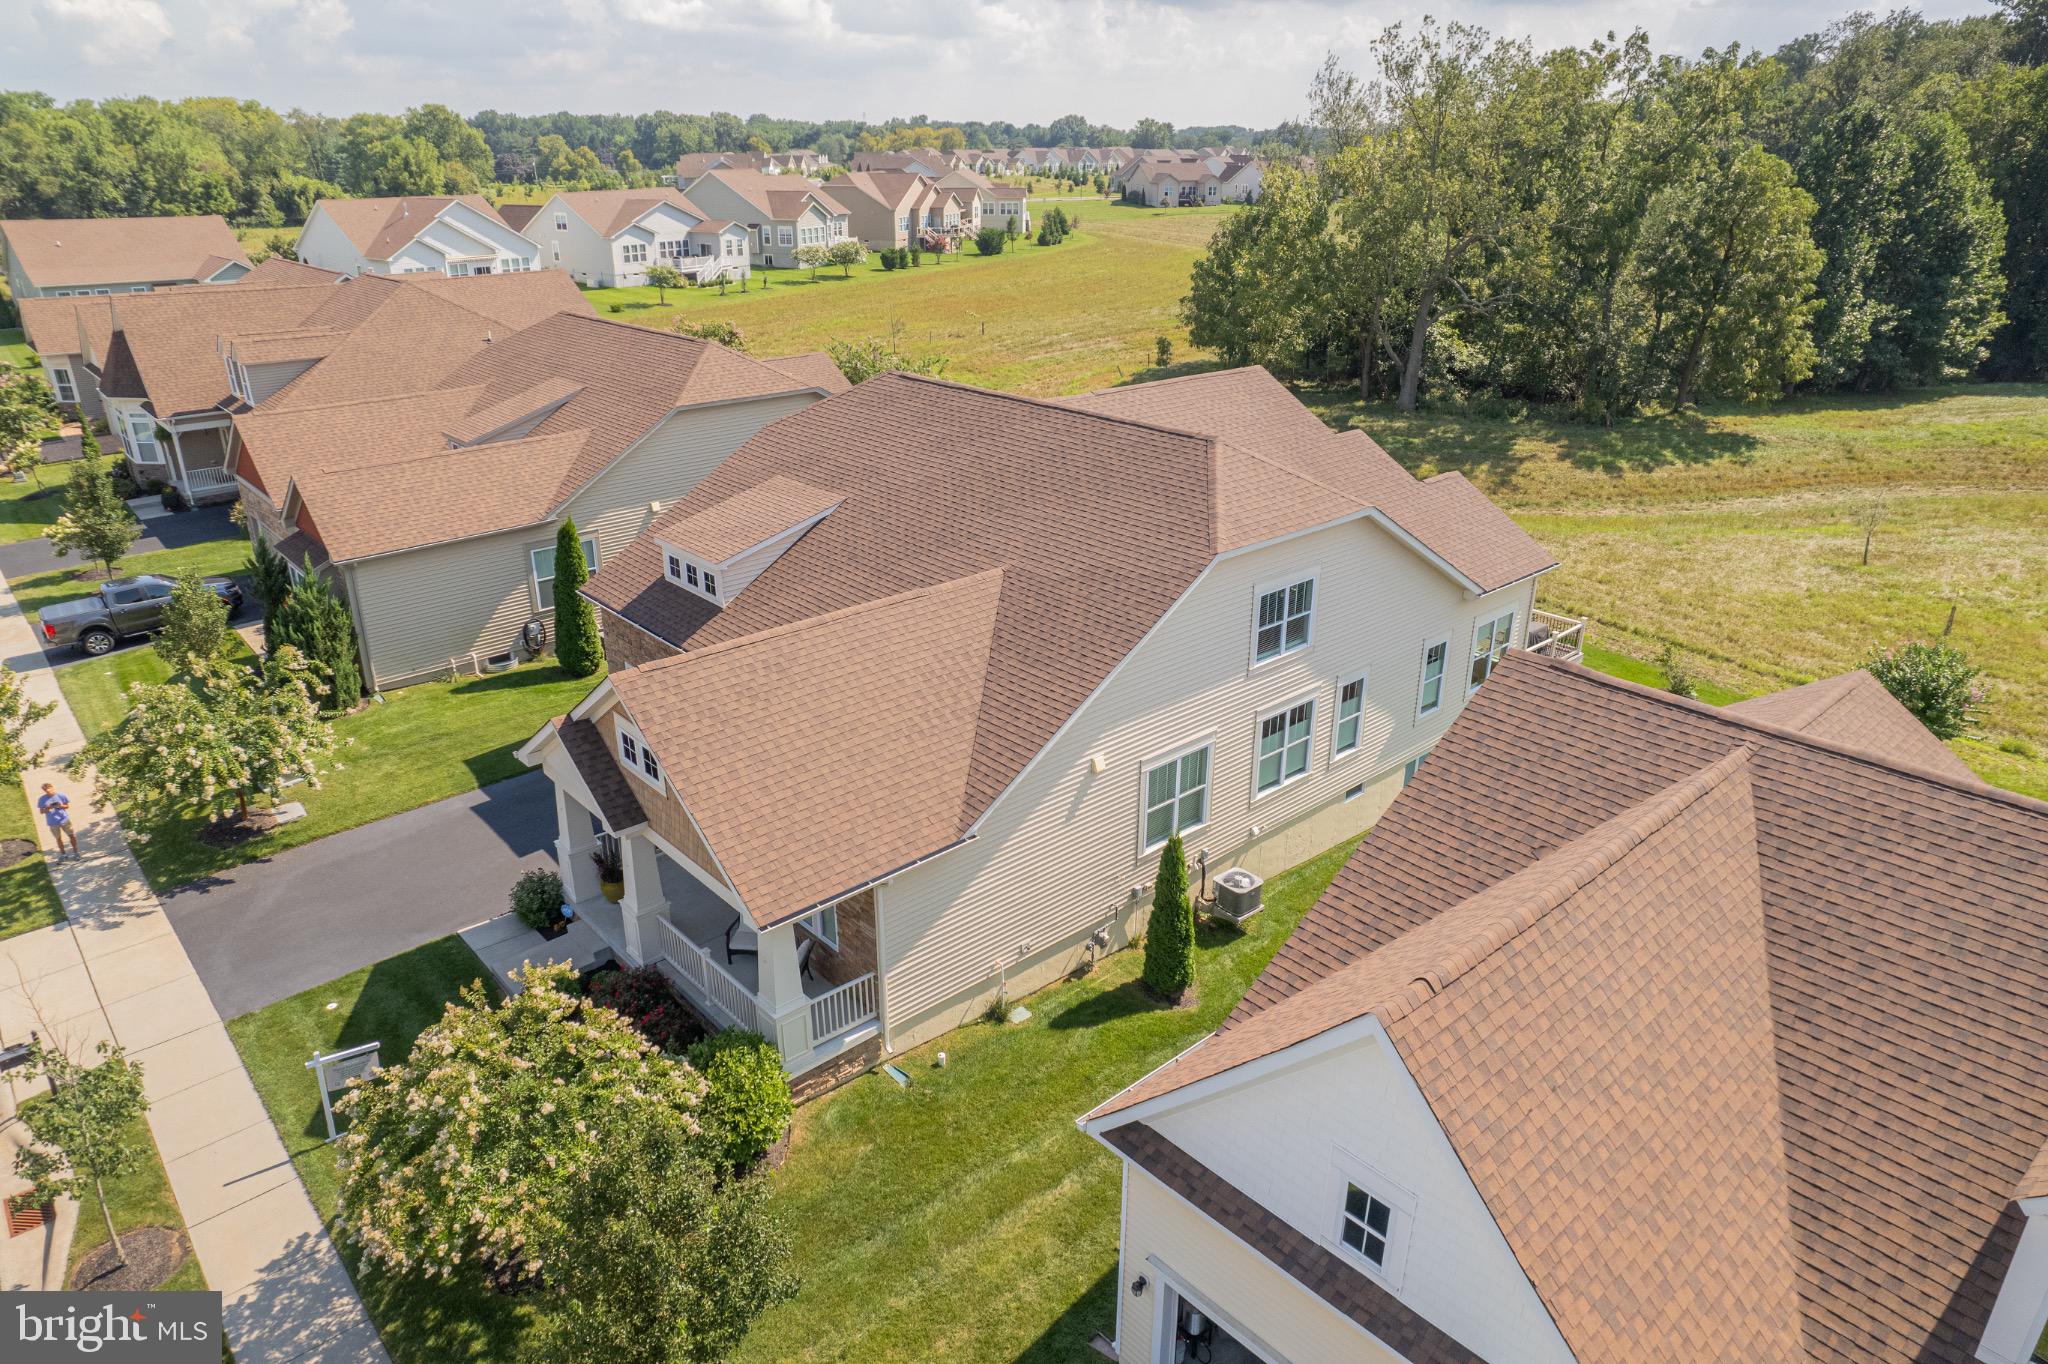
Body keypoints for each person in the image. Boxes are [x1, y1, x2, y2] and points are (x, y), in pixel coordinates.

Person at [37, 782, 78, 859]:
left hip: (64, 820)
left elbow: (67, 806)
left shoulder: (61, 795)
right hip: (52, 822)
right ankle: (63, 854)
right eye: (46, 790)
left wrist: (60, 806)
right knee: (58, 839)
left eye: (49, 789)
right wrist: (48, 808)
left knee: (72, 836)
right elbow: (41, 812)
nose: (48, 791)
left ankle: (76, 852)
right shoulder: (42, 799)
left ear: (52, 787)